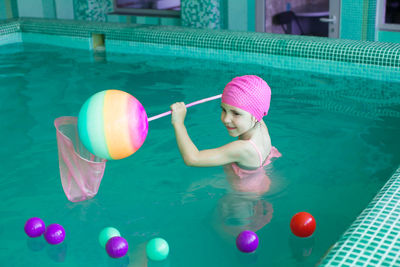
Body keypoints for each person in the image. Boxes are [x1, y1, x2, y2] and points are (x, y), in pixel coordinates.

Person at [170, 75, 281, 172]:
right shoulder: (260, 123)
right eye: (224, 109)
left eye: (236, 113)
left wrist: (178, 123)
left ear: (256, 117)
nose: (226, 119)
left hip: (244, 194)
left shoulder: (243, 148)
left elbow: (193, 158)